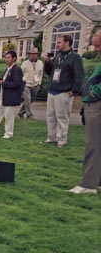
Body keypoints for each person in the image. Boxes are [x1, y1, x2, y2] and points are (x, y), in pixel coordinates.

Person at [68, 30, 101, 194]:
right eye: (95, 45)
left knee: (94, 144)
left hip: (97, 106)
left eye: (98, 46)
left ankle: (88, 184)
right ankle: (98, 179)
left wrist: (95, 92)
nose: (96, 49)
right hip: (93, 104)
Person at [43, 34, 85, 148]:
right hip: (53, 90)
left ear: (67, 43)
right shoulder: (58, 56)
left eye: (59, 42)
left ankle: (62, 139)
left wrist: (74, 90)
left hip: (64, 91)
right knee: (50, 115)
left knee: (62, 116)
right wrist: (47, 61)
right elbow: (49, 72)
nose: (57, 44)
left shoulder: (75, 57)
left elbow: (79, 76)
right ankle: (51, 137)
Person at [18, 47, 43, 119]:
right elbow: (20, 74)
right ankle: (29, 115)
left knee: (30, 100)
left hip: (35, 84)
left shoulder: (40, 63)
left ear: (37, 55)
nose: (32, 56)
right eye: (31, 54)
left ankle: (21, 112)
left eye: (34, 54)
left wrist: (39, 83)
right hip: (26, 83)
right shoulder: (25, 63)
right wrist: (21, 83)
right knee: (27, 98)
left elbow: (41, 73)